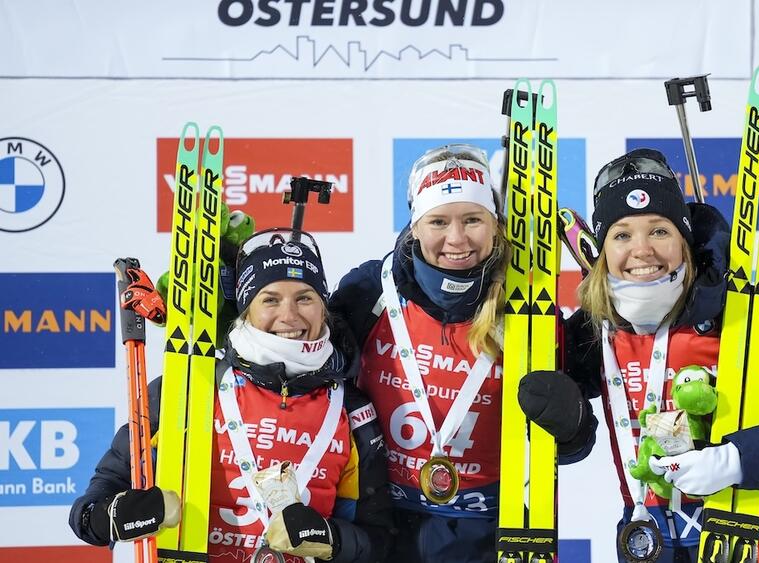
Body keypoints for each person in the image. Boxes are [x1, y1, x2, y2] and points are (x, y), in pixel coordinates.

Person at [555, 148, 759, 562]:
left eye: (660, 231)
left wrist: (736, 460)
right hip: (650, 544)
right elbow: (556, 435)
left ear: (684, 239)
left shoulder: (745, 311)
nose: (642, 249)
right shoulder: (598, 329)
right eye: (622, 234)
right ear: (601, 250)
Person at [329, 143, 597, 563]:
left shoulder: (528, 309)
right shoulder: (371, 293)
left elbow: (574, 440)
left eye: (472, 220)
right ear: (415, 226)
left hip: (489, 534)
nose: (456, 239)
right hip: (382, 528)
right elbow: (313, 380)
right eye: (438, 221)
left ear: (495, 226)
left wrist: (572, 423)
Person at [69, 230, 394, 563]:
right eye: (270, 299)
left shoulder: (352, 409)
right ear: (245, 309)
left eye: (305, 298)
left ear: (323, 308)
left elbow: (380, 539)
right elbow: (87, 513)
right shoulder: (187, 387)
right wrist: (116, 515)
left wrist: (331, 538)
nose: (289, 315)